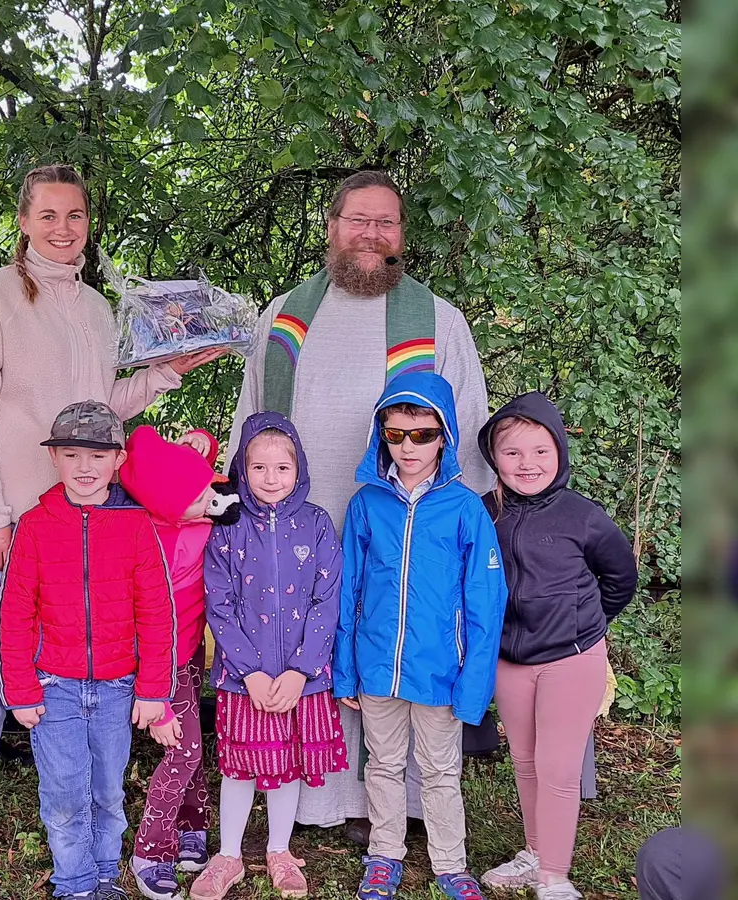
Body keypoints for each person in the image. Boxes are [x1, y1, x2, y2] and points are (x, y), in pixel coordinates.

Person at [0, 164, 219, 847]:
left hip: (79, 520)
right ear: (24, 222)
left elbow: (101, 412)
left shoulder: (97, 309)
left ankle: (73, 797)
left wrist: (162, 375)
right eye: (49, 215)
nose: (63, 229)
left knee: (76, 661)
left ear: (89, 225)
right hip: (2, 511)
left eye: (76, 216)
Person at [226, 170, 496, 838]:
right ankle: (319, 801)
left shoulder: (437, 319)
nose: (372, 235)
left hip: (403, 517)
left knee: (391, 640)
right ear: (332, 226)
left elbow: (465, 420)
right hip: (298, 520)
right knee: (316, 637)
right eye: (359, 220)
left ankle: (392, 812)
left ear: (401, 234)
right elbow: (254, 411)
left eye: (386, 223)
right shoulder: (285, 314)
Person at [333, 372, 507, 900]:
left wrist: (474, 683)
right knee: (382, 764)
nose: (409, 446)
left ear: (445, 436)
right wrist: (346, 669)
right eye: (395, 434)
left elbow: (485, 602)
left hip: (440, 671)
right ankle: (384, 855)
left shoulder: (465, 510)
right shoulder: (366, 505)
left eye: (423, 434)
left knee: (439, 770)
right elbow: (349, 592)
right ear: (381, 435)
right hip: (377, 666)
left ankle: (450, 864)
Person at [0, 400, 177, 900]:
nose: (84, 467)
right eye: (72, 454)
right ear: (55, 458)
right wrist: (21, 690)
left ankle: (103, 875)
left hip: (119, 688)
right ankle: (74, 884)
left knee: (106, 789)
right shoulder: (35, 525)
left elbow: (157, 612)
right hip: (53, 686)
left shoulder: (136, 523)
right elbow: (15, 614)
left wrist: (153, 691)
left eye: (97, 456)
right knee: (63, 794)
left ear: (117, 460)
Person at [474, 393, 639, 900]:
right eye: (513, 453)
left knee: (558, 768)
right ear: (494, 459)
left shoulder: (582, 516)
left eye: (540, 451)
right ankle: (535, 853)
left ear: (560, 452)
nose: (528, 464)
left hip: (571, 657)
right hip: (510, 660)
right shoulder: (485, 514)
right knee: (524, 762)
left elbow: (620, 577)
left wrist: (584, 627)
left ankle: (555, 877)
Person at [187, 413, 347, 900]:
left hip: (302, 678)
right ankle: (228, 855)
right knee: (239, 767)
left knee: (286, 765)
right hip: (244, 678)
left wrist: (303, 670)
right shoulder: (228, 528)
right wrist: (249, 670)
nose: (271, 478)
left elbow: (328, 598)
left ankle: (279, 849)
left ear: (298, 469)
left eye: (282, 468)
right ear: (242, 468)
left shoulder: (316, 523)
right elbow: (220, 603)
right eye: (259, 468)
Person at [118, 425, 228, 899]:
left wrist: (203, 442)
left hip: (190, 654)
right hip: (157, 661)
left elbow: (181, 464)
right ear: (167, 504)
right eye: (200, 497)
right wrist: (156, 698)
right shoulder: (147, 541)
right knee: (182, 750)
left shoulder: (193, 515)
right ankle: (151, 847)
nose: (211, 500)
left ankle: (192, 826)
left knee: (192, 745)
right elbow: (141, 622)